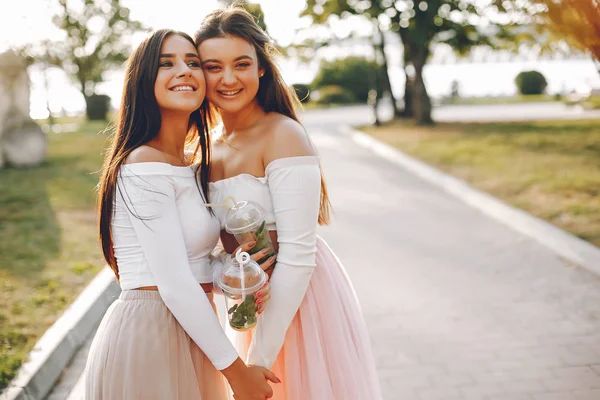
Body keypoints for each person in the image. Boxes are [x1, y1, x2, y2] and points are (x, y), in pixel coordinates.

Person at [195, 8, 383, 400]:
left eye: (241, 64)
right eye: (214, 67)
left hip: (298, 302)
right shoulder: (207, 145)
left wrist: (259, 361)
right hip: (248, 300)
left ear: (261, 68)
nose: (228, 79)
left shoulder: (283, 135)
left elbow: (298, 256)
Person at [86, 28, 278, 400]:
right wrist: (237, 374)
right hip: (152, 332)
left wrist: (236, 273)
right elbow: (172, 284)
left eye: (192, 62)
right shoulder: (143, 164)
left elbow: (194, 262)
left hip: (194, 332)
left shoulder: (185, 167)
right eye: (166, 63)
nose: (184, 71)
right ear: (143, 80)